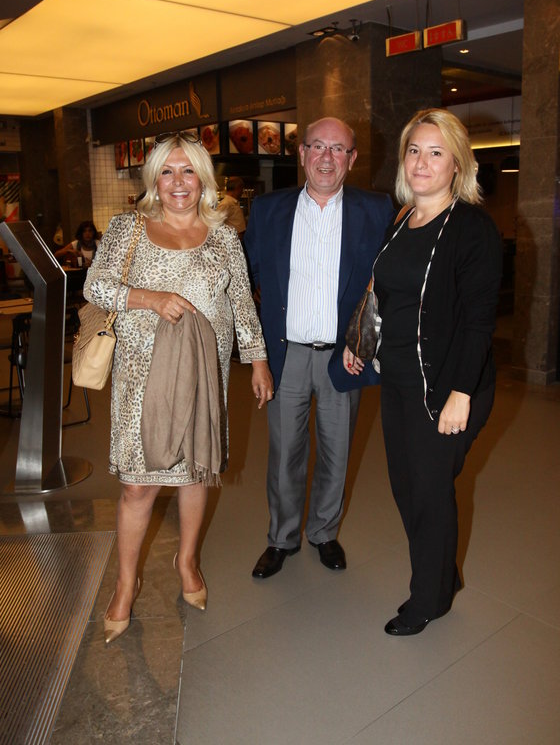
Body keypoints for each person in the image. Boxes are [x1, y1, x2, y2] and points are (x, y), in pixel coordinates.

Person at [83, 133, 273, 645]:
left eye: (188, 170)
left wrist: (257, 360)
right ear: (153, 180)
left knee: (195, 473)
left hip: (205, 376)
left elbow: (241, 303)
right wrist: (150, 298)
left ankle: (187, 561)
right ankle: (126, 583)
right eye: (167, 171)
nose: (178, 182)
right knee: (138, 485)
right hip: (141, 378)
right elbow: (95, 285)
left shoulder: (224, 237)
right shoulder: (128, 228)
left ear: (204, 178)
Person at [344, 108, 502, 636]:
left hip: (448, 383)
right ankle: (442, 574)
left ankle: (429, 599)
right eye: (414, 150)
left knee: (430, 491)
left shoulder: (472, 228)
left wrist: (461, 392)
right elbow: (382, 292)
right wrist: (359, 341)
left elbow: (479, 321)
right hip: (399, 379)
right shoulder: (401, 220)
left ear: (458, 164)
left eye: (436, 152)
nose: (422, 162)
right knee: (406, 487)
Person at [244, 117, 394, 579]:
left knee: (336, 450)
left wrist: (365, 343)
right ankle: (282, 538)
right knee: (284, 454)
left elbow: (387, 283)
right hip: (286, 355)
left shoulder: (377, 210)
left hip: (343, 356)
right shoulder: (268, 209)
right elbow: (245, 277)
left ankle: (324, 532)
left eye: (338, 149)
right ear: (302, 153)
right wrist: (256, 354)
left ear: (351, 158)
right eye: (318, 147)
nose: (327, 157)